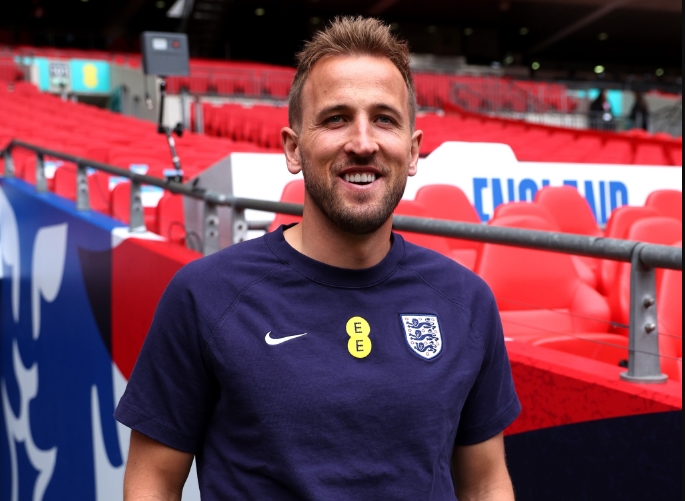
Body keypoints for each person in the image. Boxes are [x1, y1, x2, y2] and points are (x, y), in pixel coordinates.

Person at [115, 16, 520, 500]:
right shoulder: (205, 295)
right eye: (336, 119)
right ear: (293, 148)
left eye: (384, 119)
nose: (363, 142)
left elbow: (485, 481)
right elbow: (153, 480)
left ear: (412, 152)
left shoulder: (466, 301)